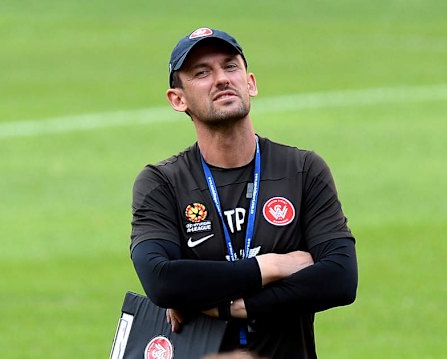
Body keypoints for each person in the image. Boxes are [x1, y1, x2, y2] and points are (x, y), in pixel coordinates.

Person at [130, 27, 358, 358]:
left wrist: (231, 306)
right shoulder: (162, 183)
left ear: (250, 82)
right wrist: (272, 267)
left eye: (230, 66)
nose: (221, 79)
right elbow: (163, 281)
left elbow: (339, 278)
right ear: (177, 99)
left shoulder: (302, 169)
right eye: (202, 73)